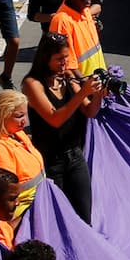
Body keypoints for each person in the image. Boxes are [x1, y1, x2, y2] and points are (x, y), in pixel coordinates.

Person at [20, 36, 106, 225]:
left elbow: (90, 111)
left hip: (75, 156)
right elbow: (55, 118)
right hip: (51, 162)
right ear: (45, 58)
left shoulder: (67, 78)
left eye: (66, 58)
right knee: (58, 219)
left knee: (85, 216)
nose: (65, 63)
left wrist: (99, 93)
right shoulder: (32, 84)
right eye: (59, 59)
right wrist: (83, 92)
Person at [0, 92, 42, 223]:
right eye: (19, 116)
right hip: (23, 214)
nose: (25, 121)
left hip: (37, 205)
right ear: (2, 116)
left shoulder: (18, 134)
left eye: (25, 114)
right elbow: (7, 193)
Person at [45, 0, 103, 78]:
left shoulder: (85, 10)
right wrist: (83, 84)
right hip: (81, 84)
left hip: (96, 81)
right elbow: (64, 62)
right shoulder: (61, 21)